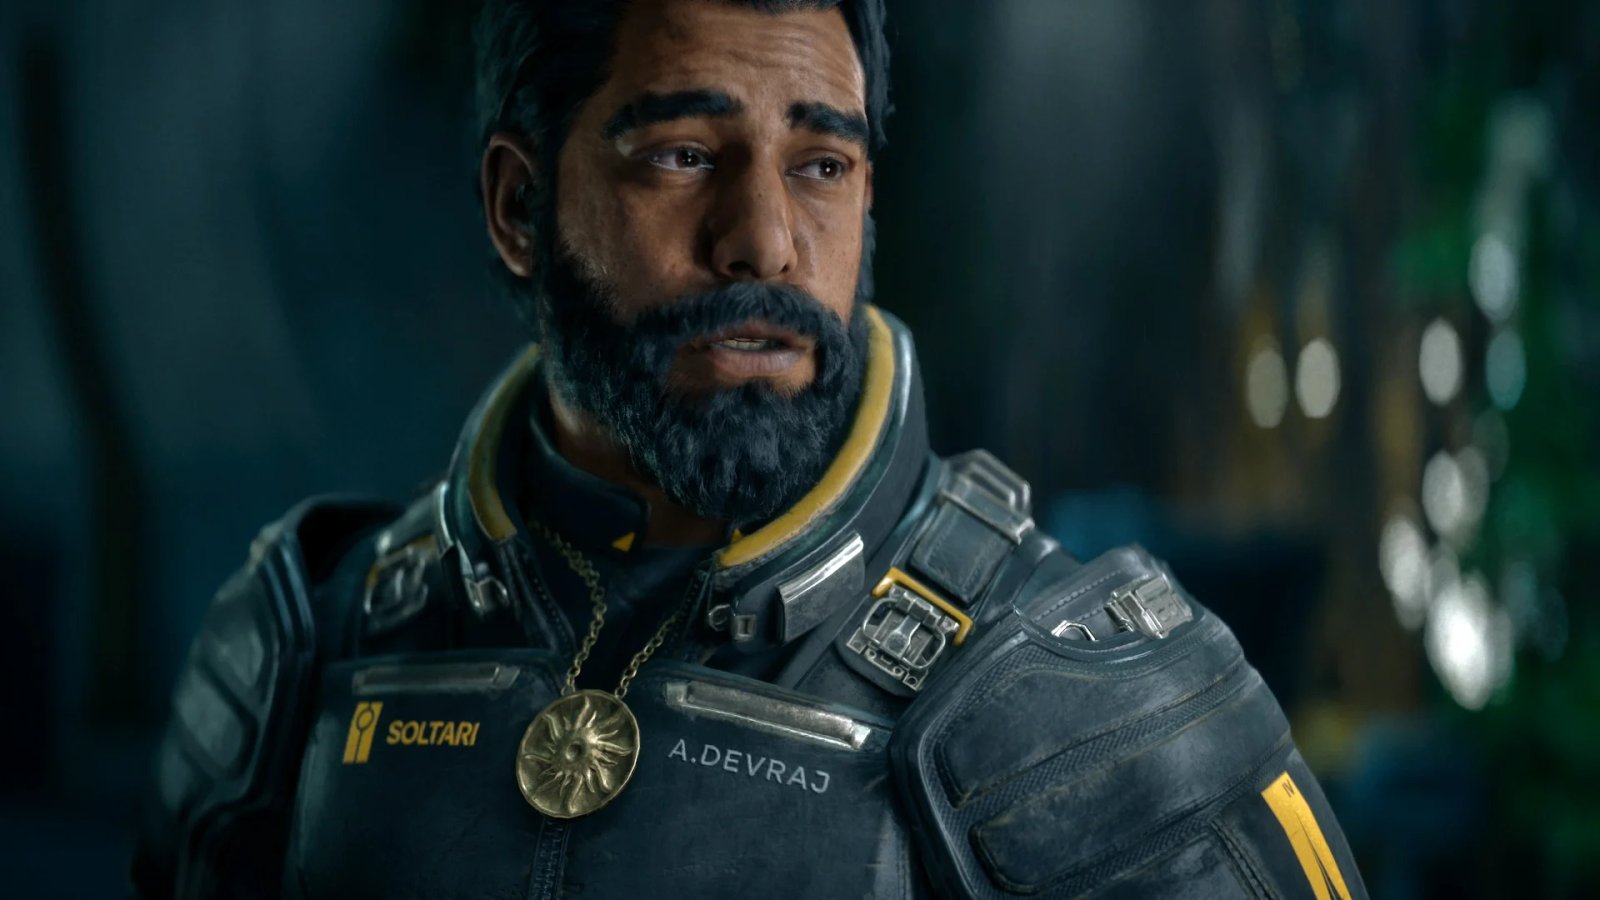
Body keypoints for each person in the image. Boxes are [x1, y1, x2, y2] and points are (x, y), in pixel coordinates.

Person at [131, 1, 1368, 897]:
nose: (765, 241)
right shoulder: (304, 651)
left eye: (820, 164)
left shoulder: (1101, 725)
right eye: (683, 155)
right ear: (518, 206)